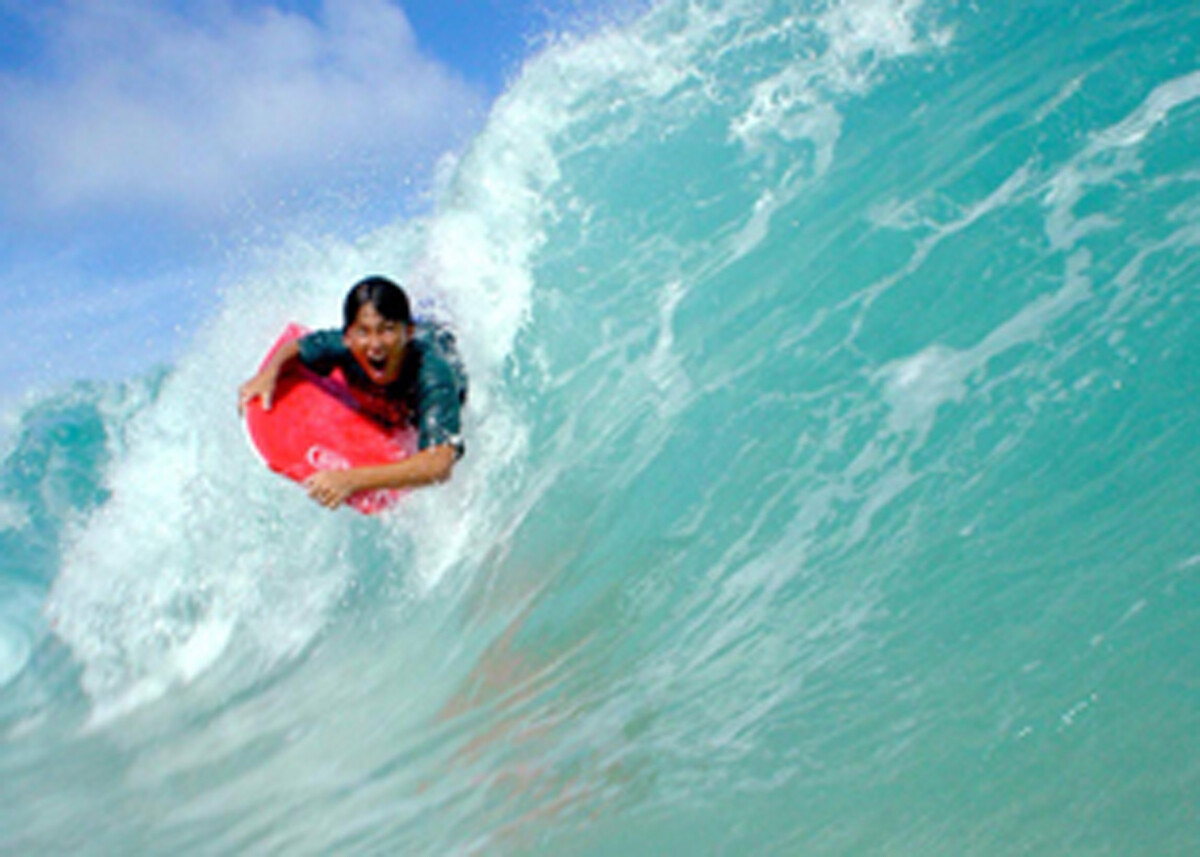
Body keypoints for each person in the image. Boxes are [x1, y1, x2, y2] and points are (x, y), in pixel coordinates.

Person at [238, 276, 467, 509]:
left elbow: (439, 463)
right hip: (404, 345)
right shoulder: (343, 346)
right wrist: (269, 373)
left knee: (438, 315)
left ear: (407, 332)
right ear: (347, 336)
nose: (375, 344)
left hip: (438, 342)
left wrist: (351, 480)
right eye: (363, 332)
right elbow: (296, 347)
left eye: (387, 331)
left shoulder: (433, 374)